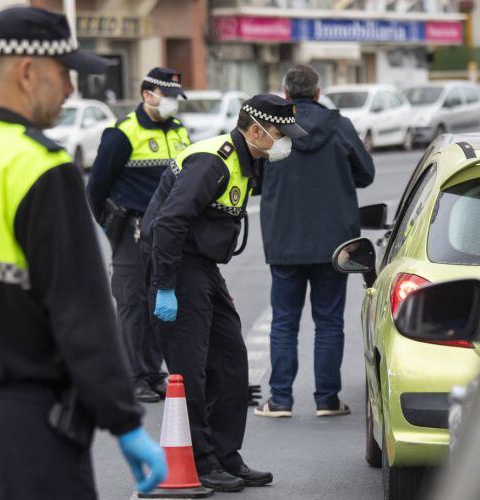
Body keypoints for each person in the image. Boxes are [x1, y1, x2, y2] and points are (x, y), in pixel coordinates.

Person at [0, 7, 165, 499]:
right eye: (64, 73)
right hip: (27, 425)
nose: (69, 89)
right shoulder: (36, 165)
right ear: (27, 71)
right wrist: (124, 422)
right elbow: (81, 309)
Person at [140, 93, 306, 492]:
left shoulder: (247, 161)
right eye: (281, 134)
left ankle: (226, 456)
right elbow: (167, 225)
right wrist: (165, 287)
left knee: (231, 361)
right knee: (191, 371)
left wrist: (213, 283)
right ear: (256, 130)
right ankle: (200, 461)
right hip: (175, 265)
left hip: (202, 268)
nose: (286, 141)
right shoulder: (213, 161)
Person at [254, 65, 375, 419]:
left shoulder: (273, 131)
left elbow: (255, 179)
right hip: (335, 243)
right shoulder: (340, 127)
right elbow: (365, 174)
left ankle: (279, 400)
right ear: (319, 93)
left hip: (284, 241)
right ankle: (327, 399)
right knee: (329, 321)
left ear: (286, 94)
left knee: (284, 322)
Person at [88, 67, 191, 403]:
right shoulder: (122, 134)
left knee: (159, 303)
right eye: (168, 97)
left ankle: (153, 372)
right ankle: (134, 377)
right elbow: (96, 188)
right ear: (148, 94)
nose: (173, 104)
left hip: (167, 235)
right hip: (131, 232)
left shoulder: (178, 131)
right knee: (133, 304)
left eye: (177, 98)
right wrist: (110, 227)